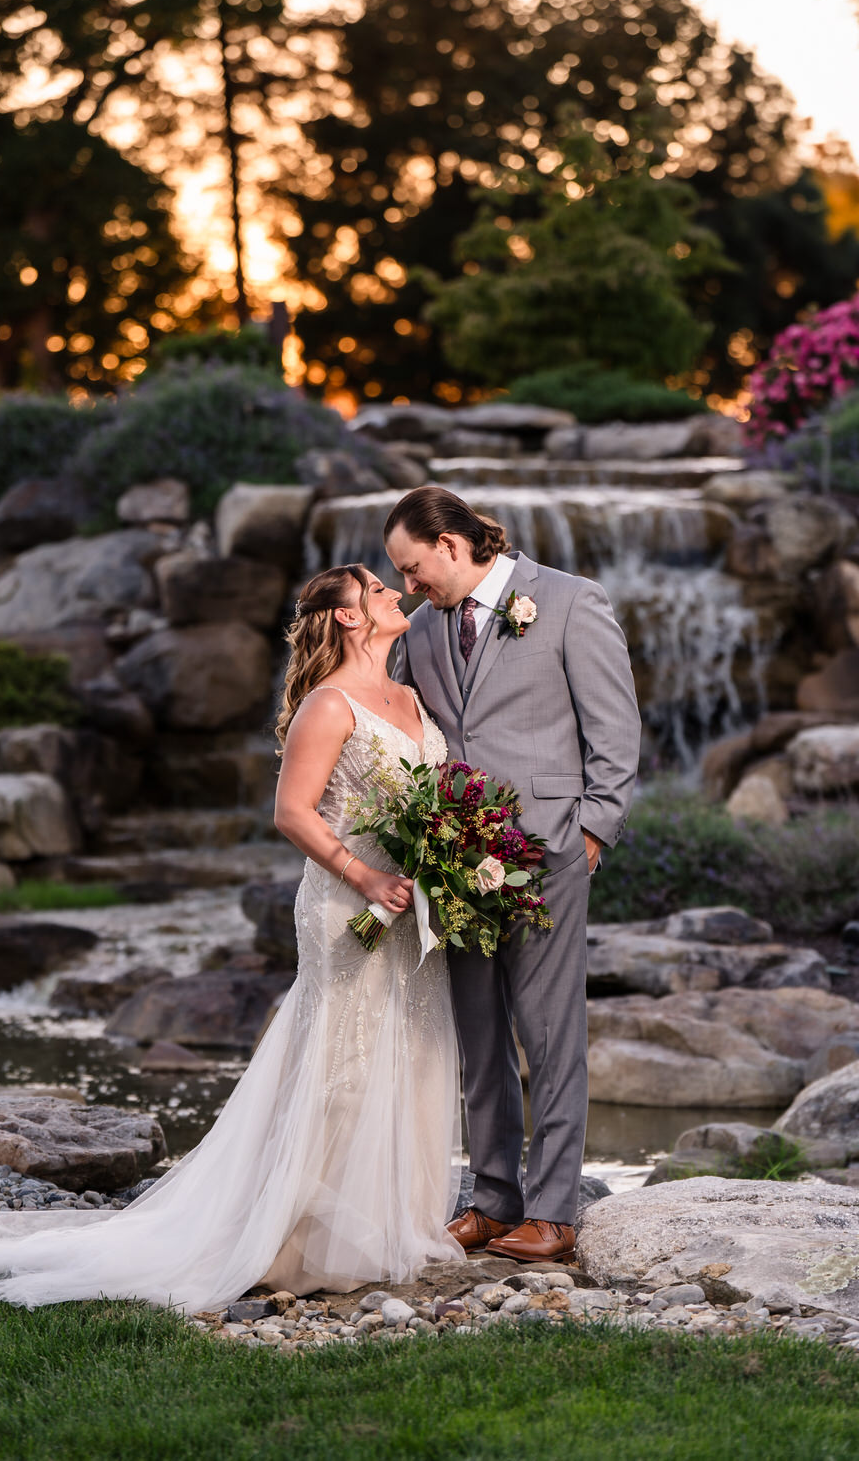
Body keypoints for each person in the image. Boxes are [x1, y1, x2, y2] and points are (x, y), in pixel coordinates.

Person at [0, 564, 465, 1311]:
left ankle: (383, 1227)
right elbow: (293, 814)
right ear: (349, 617)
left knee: (408, 1045)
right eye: (378, 589)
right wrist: (363, 877)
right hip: (349, 901)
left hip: (409, 903)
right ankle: (293, 1239)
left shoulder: (411, 696)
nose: (396, 593)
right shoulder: (328, 707)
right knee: (342, 1059)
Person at [385, 486, 641, 1264]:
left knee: (551, 1031)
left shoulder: (566, 601)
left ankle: (556, 1212)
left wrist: (593, 829)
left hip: (551, 850)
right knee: (477, 1031)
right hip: (460, 858)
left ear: (454, 545)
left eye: (414, 567)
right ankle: (494, 1201)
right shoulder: (422, 628)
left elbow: (616, 727)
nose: (407, 586)